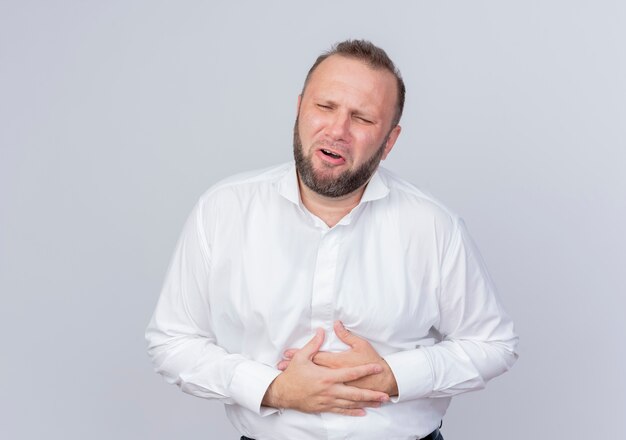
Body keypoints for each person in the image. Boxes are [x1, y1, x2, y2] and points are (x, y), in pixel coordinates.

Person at [146, 39, 518, 440]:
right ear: (300, 108)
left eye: (362, 118)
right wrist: (272, 389)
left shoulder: (432, 225)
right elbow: (172, 340)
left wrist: (391, 378)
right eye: (325, 107)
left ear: (389, 141)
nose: (337, 130)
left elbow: (493, 344)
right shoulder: (222, 210)